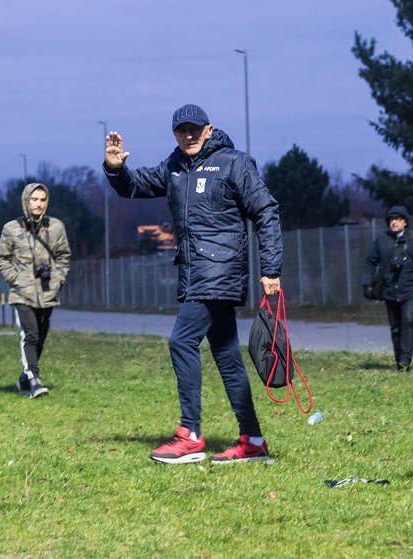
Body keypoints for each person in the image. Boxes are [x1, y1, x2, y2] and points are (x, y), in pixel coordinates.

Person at [103, 103, 283, 464]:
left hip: (220, 271)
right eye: (181, 130)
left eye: (195, 129)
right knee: (227, 356)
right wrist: (115, 168)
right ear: (174, 134)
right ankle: (253, 440)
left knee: (181, 341)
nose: (188, 135)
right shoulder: (173, 167)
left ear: (209, 129)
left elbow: (266, 211)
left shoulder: (234, 162)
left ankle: (190, 435)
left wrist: (271, 267)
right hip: (195, 272)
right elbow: (133, 187)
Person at [0, 183, 71, 398]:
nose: (38, 204)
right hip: (22, 293)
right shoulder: (12, 229)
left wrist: (59, 279)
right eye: (34, 199)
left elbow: (64, 256)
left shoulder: (56, 227)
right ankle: (35, 380)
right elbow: (1, 259)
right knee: (30, 335)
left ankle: (24, 378)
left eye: (42, 200)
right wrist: (16, 279)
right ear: (26, 201)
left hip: (48, 292)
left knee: (41, 337)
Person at [362, 206, 413, 371]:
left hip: (411, 288)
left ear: (405, 221)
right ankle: (398, 361)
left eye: (397, 219)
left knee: (408, 322)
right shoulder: (381, 239)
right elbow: (370, 262)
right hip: (389, 289)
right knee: (395, 327)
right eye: (391, 219)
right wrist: (366, 283)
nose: (393, 222)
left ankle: (405, 362)